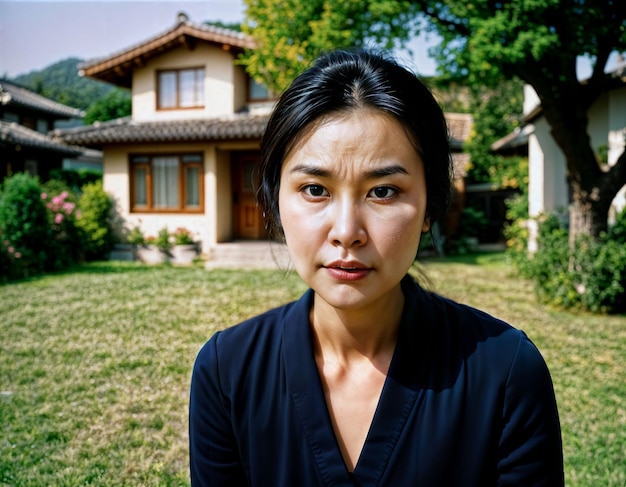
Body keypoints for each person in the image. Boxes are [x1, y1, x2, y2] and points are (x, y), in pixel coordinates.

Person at [189, 48, 564, 486]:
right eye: (314, 188)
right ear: (274, 202)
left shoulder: (505, 373)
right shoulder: (228, 371)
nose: (347, 231)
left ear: (429, 207)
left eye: (383, 191)